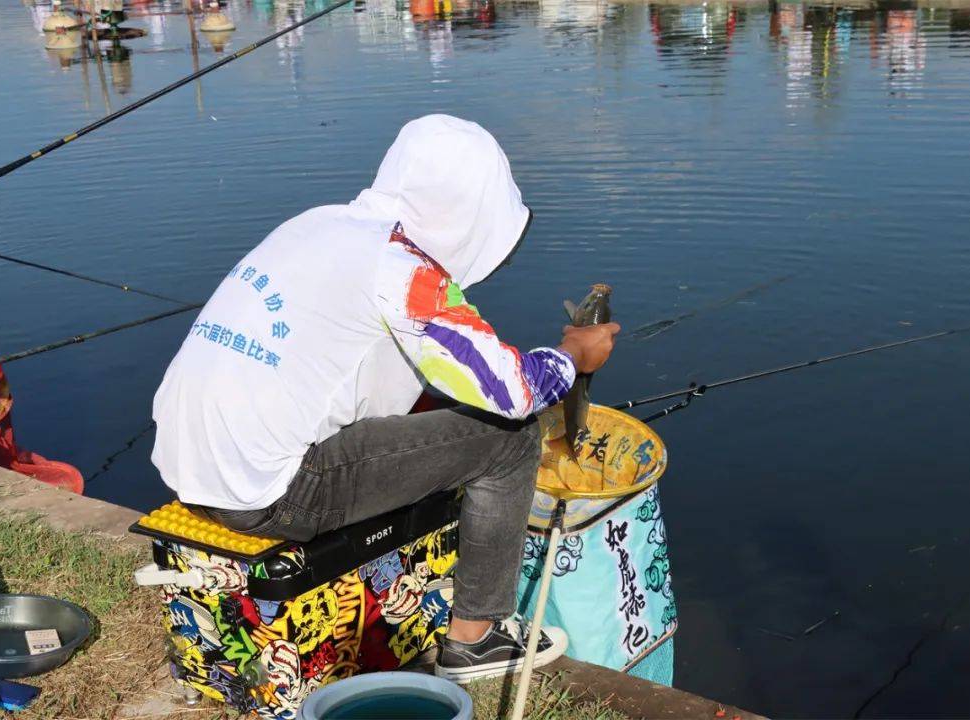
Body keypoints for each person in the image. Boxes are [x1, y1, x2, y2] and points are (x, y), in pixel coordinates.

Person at [151, 114, 621, 683]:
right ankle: (475, 641)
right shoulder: (402, 266)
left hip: (189, 469)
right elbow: (513, 391)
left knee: (445, 414)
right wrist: (574, 355)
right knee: (513, 440)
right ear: (469, 210)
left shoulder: (318, 224)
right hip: (269, 493)